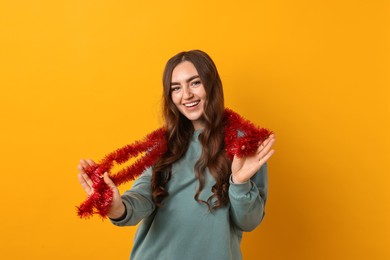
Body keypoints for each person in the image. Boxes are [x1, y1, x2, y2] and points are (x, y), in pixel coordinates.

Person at [78, 50, 275, 260]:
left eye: (195, 83)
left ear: (212, 85)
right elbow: (143, 194)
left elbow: (249, 221)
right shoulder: (163, 144)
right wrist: (118, 208)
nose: (186, 95)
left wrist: (239, 182)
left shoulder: (244, 143)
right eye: (176, 88)